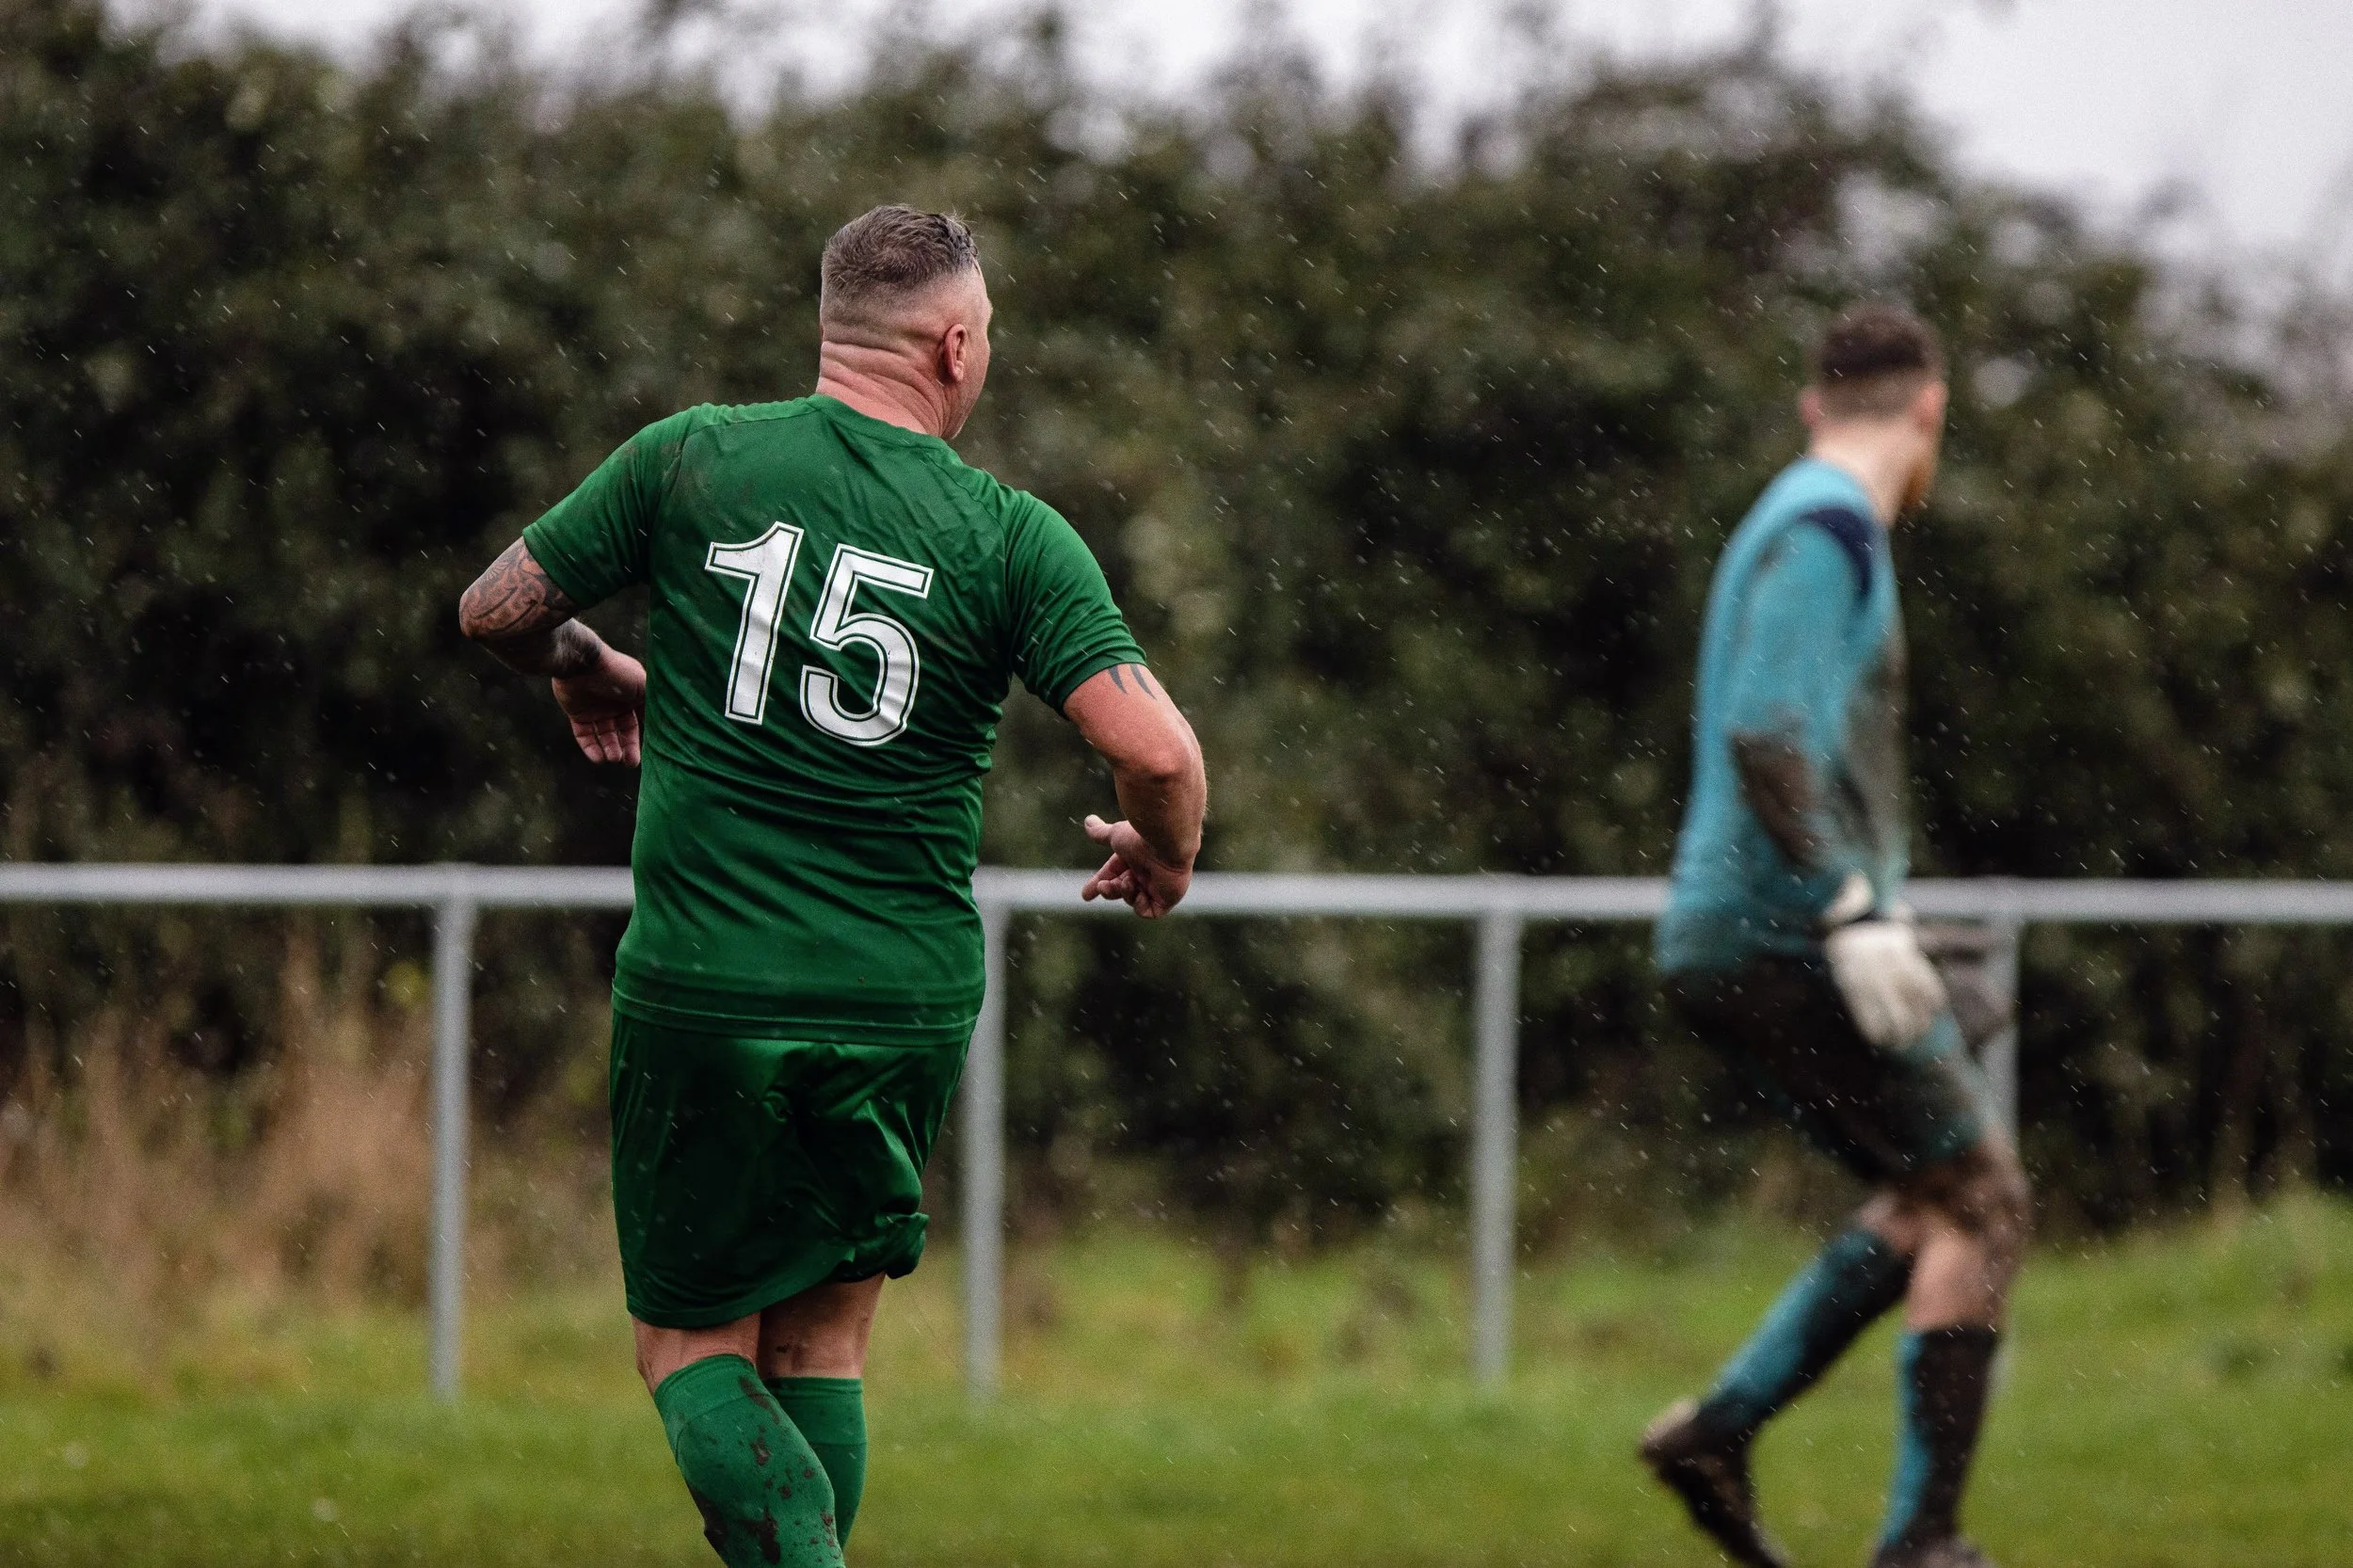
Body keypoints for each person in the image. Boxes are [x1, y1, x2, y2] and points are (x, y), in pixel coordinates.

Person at [457, 204, 1206, 1568]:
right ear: (957, 344)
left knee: (689, 1340)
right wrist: (1164, 849)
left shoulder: (691, 458)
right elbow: (1156, 748)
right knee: (819, 1338)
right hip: (900, 995)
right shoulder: (1012, 535)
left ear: (838, 330)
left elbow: (494, 608)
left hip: (710, 983)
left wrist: (581, 658)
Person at [1642, 303, 2031, 1568]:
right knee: (1988, 1199)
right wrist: (1852, 908)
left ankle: (1720, 1430)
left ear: (1816, 403)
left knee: (1931, 1195)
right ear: (1930, 410)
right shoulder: (1827, 530)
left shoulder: (1787, 519)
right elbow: (1765, 729)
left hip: (1745, 926)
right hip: (1786, 927)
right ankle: (1919, 1539)